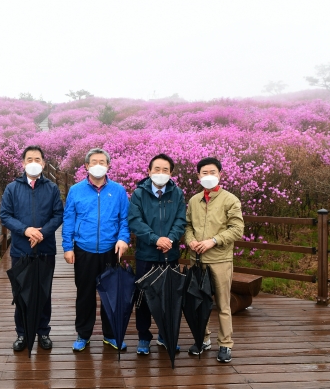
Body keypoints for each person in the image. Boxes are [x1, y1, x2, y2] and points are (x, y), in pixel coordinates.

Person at [62, 148, 130, 352]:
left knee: (111, 295)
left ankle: (110, 335)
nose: (98, 164)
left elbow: (123, 219)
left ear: (109, 165)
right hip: (84, 250)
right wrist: (67, 247)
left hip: (110, 250)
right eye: (94, 161)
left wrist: (123, 238)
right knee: (85, 295)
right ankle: (83, 334)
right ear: (86, 166)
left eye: (102, 161)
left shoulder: (118, 190)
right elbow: (69, 219)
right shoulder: (76, 190)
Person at [0, 145, 64, 352]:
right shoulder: (12, 188)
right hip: (21, 250)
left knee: (44, 293)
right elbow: (6, 215)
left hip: (45, 249)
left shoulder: (52, 188)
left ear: (44, 163)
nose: (33, 162)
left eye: (37, 159)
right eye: (29, 159)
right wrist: (26, 230)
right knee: (21, 293)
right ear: (23, 163)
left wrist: (42, 233)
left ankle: (43, 331)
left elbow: (58, 215)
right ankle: (22, 333)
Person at [185, 157, 244, 363]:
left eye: (212, 172)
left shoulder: (230, 200)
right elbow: (188, 226)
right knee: (199, 303)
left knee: (222, 304)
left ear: (220, 174)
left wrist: (214, 241)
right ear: (198, 176)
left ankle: (226, 344)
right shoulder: (194, 200)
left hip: (219, 259)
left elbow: (237, 230)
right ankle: (203, 339)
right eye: (204, 173)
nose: (208, 176)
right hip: (197, 260)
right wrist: (191, 241)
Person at [127, 154, 187, 355]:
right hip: (146, 255)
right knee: (142, 298)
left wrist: (170, 238)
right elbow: (135, 221)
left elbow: (181, 220)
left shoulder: (177, 193)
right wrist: (155, 239)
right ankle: (144, 337)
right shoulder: (139, 194)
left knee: (169, 297)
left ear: (171, 173)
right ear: (149, 171)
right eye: (157, 169)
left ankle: (165, 334)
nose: (161, 173)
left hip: (170, 255)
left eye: (165, 170)